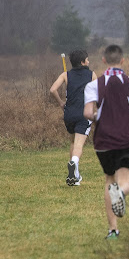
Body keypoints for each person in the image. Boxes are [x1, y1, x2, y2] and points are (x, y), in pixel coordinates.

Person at [83, 45, 129, 239]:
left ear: (103, 60)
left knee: (109, 181)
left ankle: (113, 230)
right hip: (127, 138)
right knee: (123, 182)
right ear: (122, 61)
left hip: (103, 140)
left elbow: (88, 113)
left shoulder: (94, 85)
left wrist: (99, 116)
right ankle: (121, 193)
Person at [49, 49, 98, 186]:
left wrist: (60, 103)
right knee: (78, 144)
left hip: (69, 114)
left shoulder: (66, 75)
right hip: (84, 114)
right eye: (87, 59)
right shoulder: (91, 74)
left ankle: (75, 177)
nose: (89, 62)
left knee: (72, 142)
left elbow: (52, 89)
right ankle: (74, 162)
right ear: (82, 62)